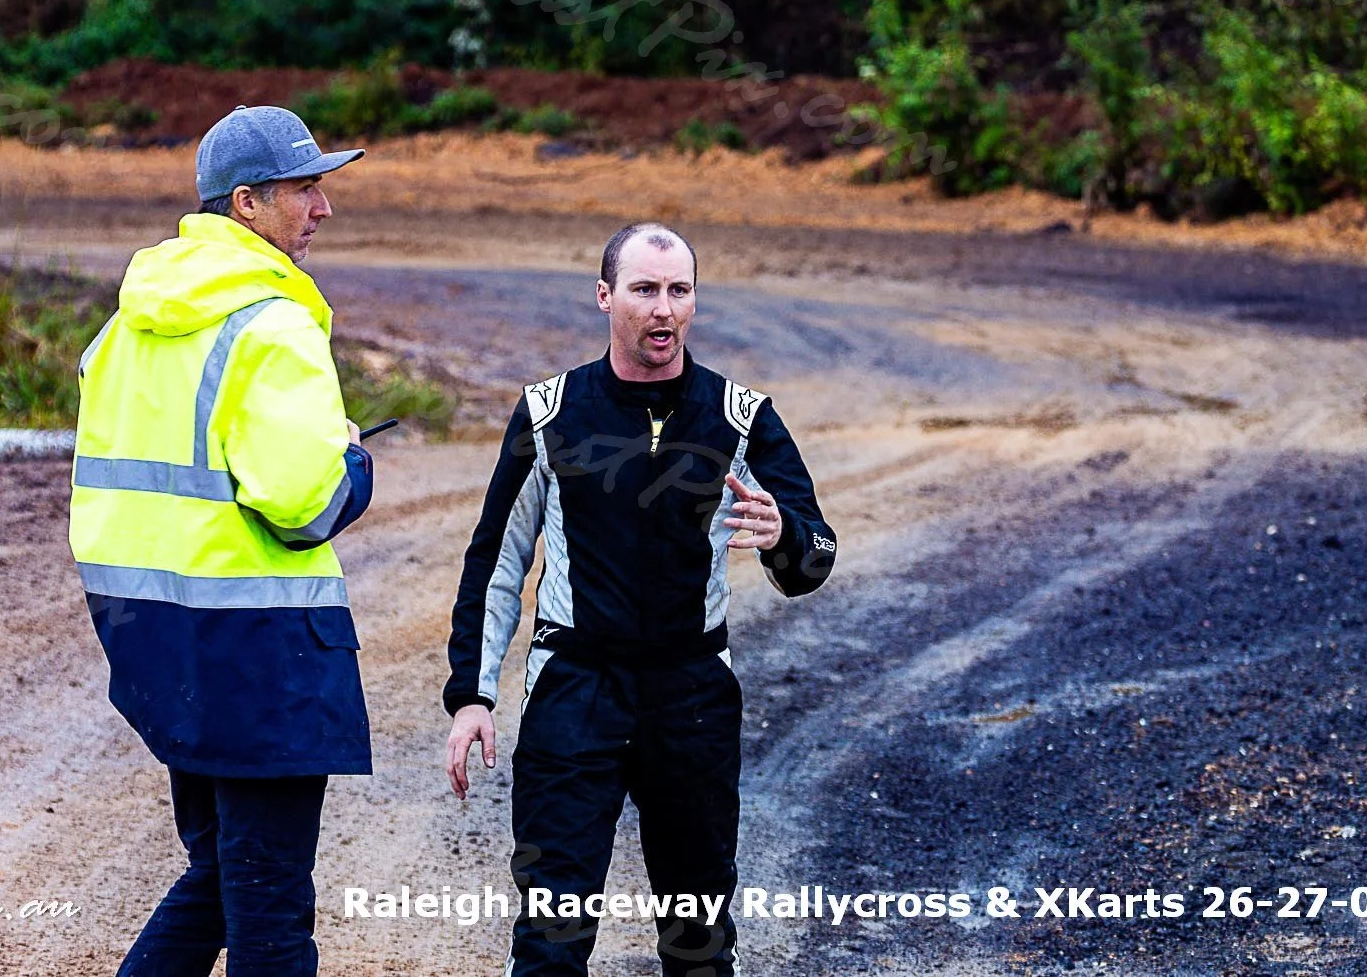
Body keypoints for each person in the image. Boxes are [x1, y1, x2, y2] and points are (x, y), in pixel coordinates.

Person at [443, 222, 837, 977]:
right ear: (605, 296)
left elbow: (812, 558)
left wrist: (783, 532)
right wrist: (472, 694)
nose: (663, 309)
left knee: (699, 938)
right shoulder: (549, 412)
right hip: (575, 686)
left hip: (691, 693)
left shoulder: (741, 416)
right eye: (645, 289)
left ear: (695, 301)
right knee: (551, 936)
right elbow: (497, 559)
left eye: (679, 290)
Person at [71, 104, 376, 977]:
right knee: (270, 911)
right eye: (304, 189)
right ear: (247, 203)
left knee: (220, 875)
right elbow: (303, 503)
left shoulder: (127, 323)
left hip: (160, 642)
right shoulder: (273, 322)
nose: (323, 208)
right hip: (260, 652)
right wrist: (354, 464)